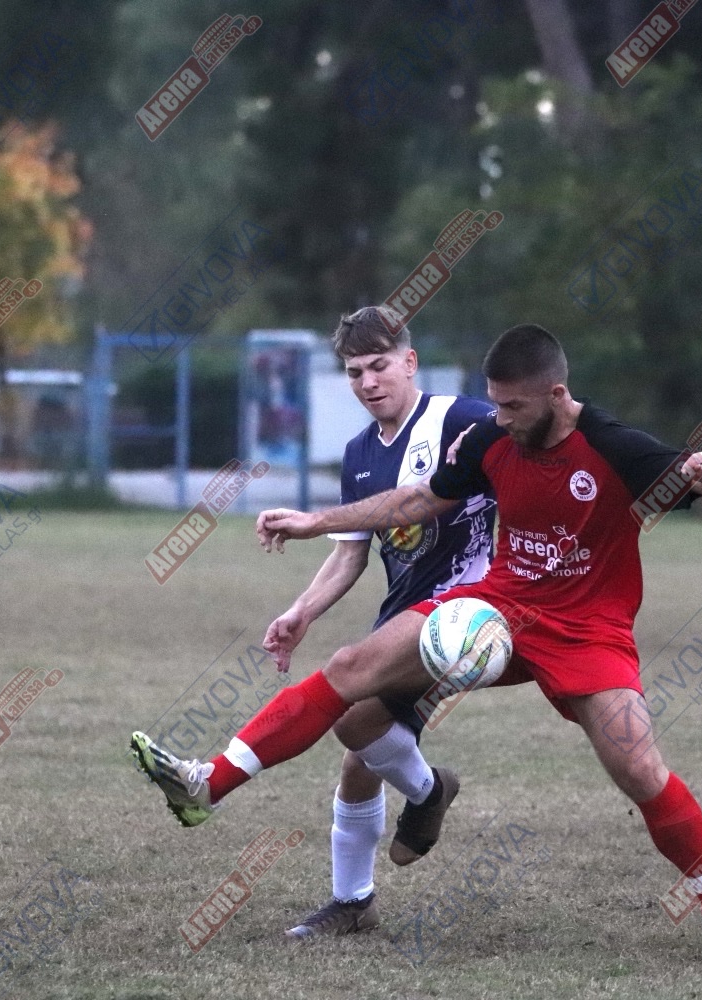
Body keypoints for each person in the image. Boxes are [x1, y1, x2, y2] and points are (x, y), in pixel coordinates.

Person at [132, 323, 702, 957]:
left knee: (638, 769)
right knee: (351, 672)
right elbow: (419, 500)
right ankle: (209, 784)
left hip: (587, 629)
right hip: (498, 605)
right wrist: (316, 521)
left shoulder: (615, 446)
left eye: (512, 406)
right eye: (495, 402)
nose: (499, 417)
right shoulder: (491, 437)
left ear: (555, 395)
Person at [138, 306, 498, 940]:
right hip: (405, 615)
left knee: (348, 685)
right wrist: (301, 610)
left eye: (380, 366)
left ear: (410, 361)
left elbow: (534, 442)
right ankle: (360, 892)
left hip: (470, 613)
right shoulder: (359, 455)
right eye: (355, 372)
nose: (369, 382)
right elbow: (351, 553)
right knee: (360, 747)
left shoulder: (459, 419)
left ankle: (212, 781)